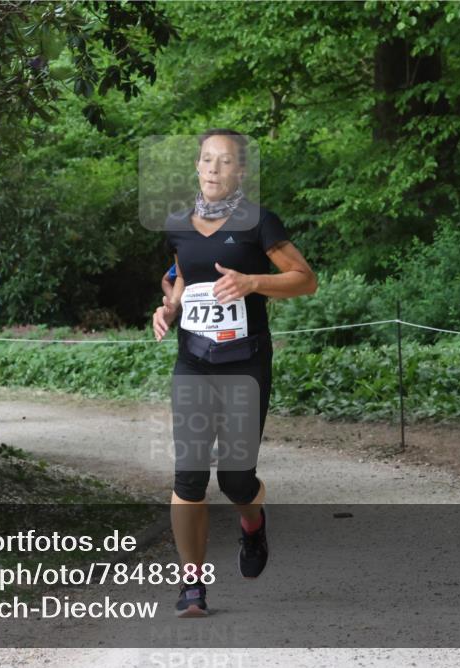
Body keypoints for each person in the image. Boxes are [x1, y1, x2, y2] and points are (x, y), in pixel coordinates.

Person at [152, 129, 317, 617]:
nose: (213, 169)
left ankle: (252, 522)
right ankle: (192, 587)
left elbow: (305, 280)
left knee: (237, 478)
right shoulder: (179, 224)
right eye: (206, 160)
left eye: (224, 162)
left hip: (245, 363)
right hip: (194, 362)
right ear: (197, 167)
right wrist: (168, 308)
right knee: (188, 476)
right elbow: (181, 275)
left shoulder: (259, 223)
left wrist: (253, 282)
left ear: (240, 171)